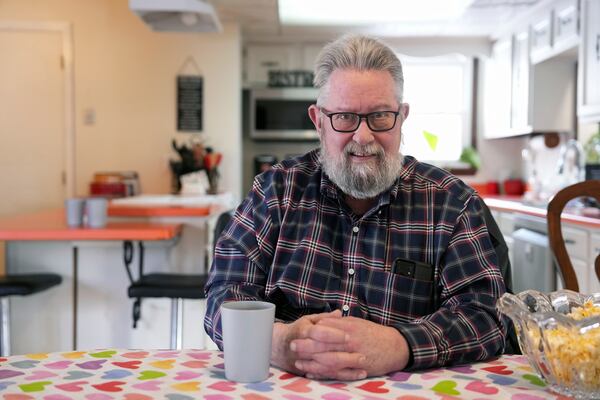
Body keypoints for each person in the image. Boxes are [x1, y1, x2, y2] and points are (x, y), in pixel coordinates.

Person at [205, 34, 508, 380]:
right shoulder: (274, 192)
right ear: (319, 121)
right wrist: (281, 341)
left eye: (380, 117)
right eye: (345, 118)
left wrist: (399, 345)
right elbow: (223, 296)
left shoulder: (452, 204)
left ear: (402, 117)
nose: (363, 137)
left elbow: (487, 317)